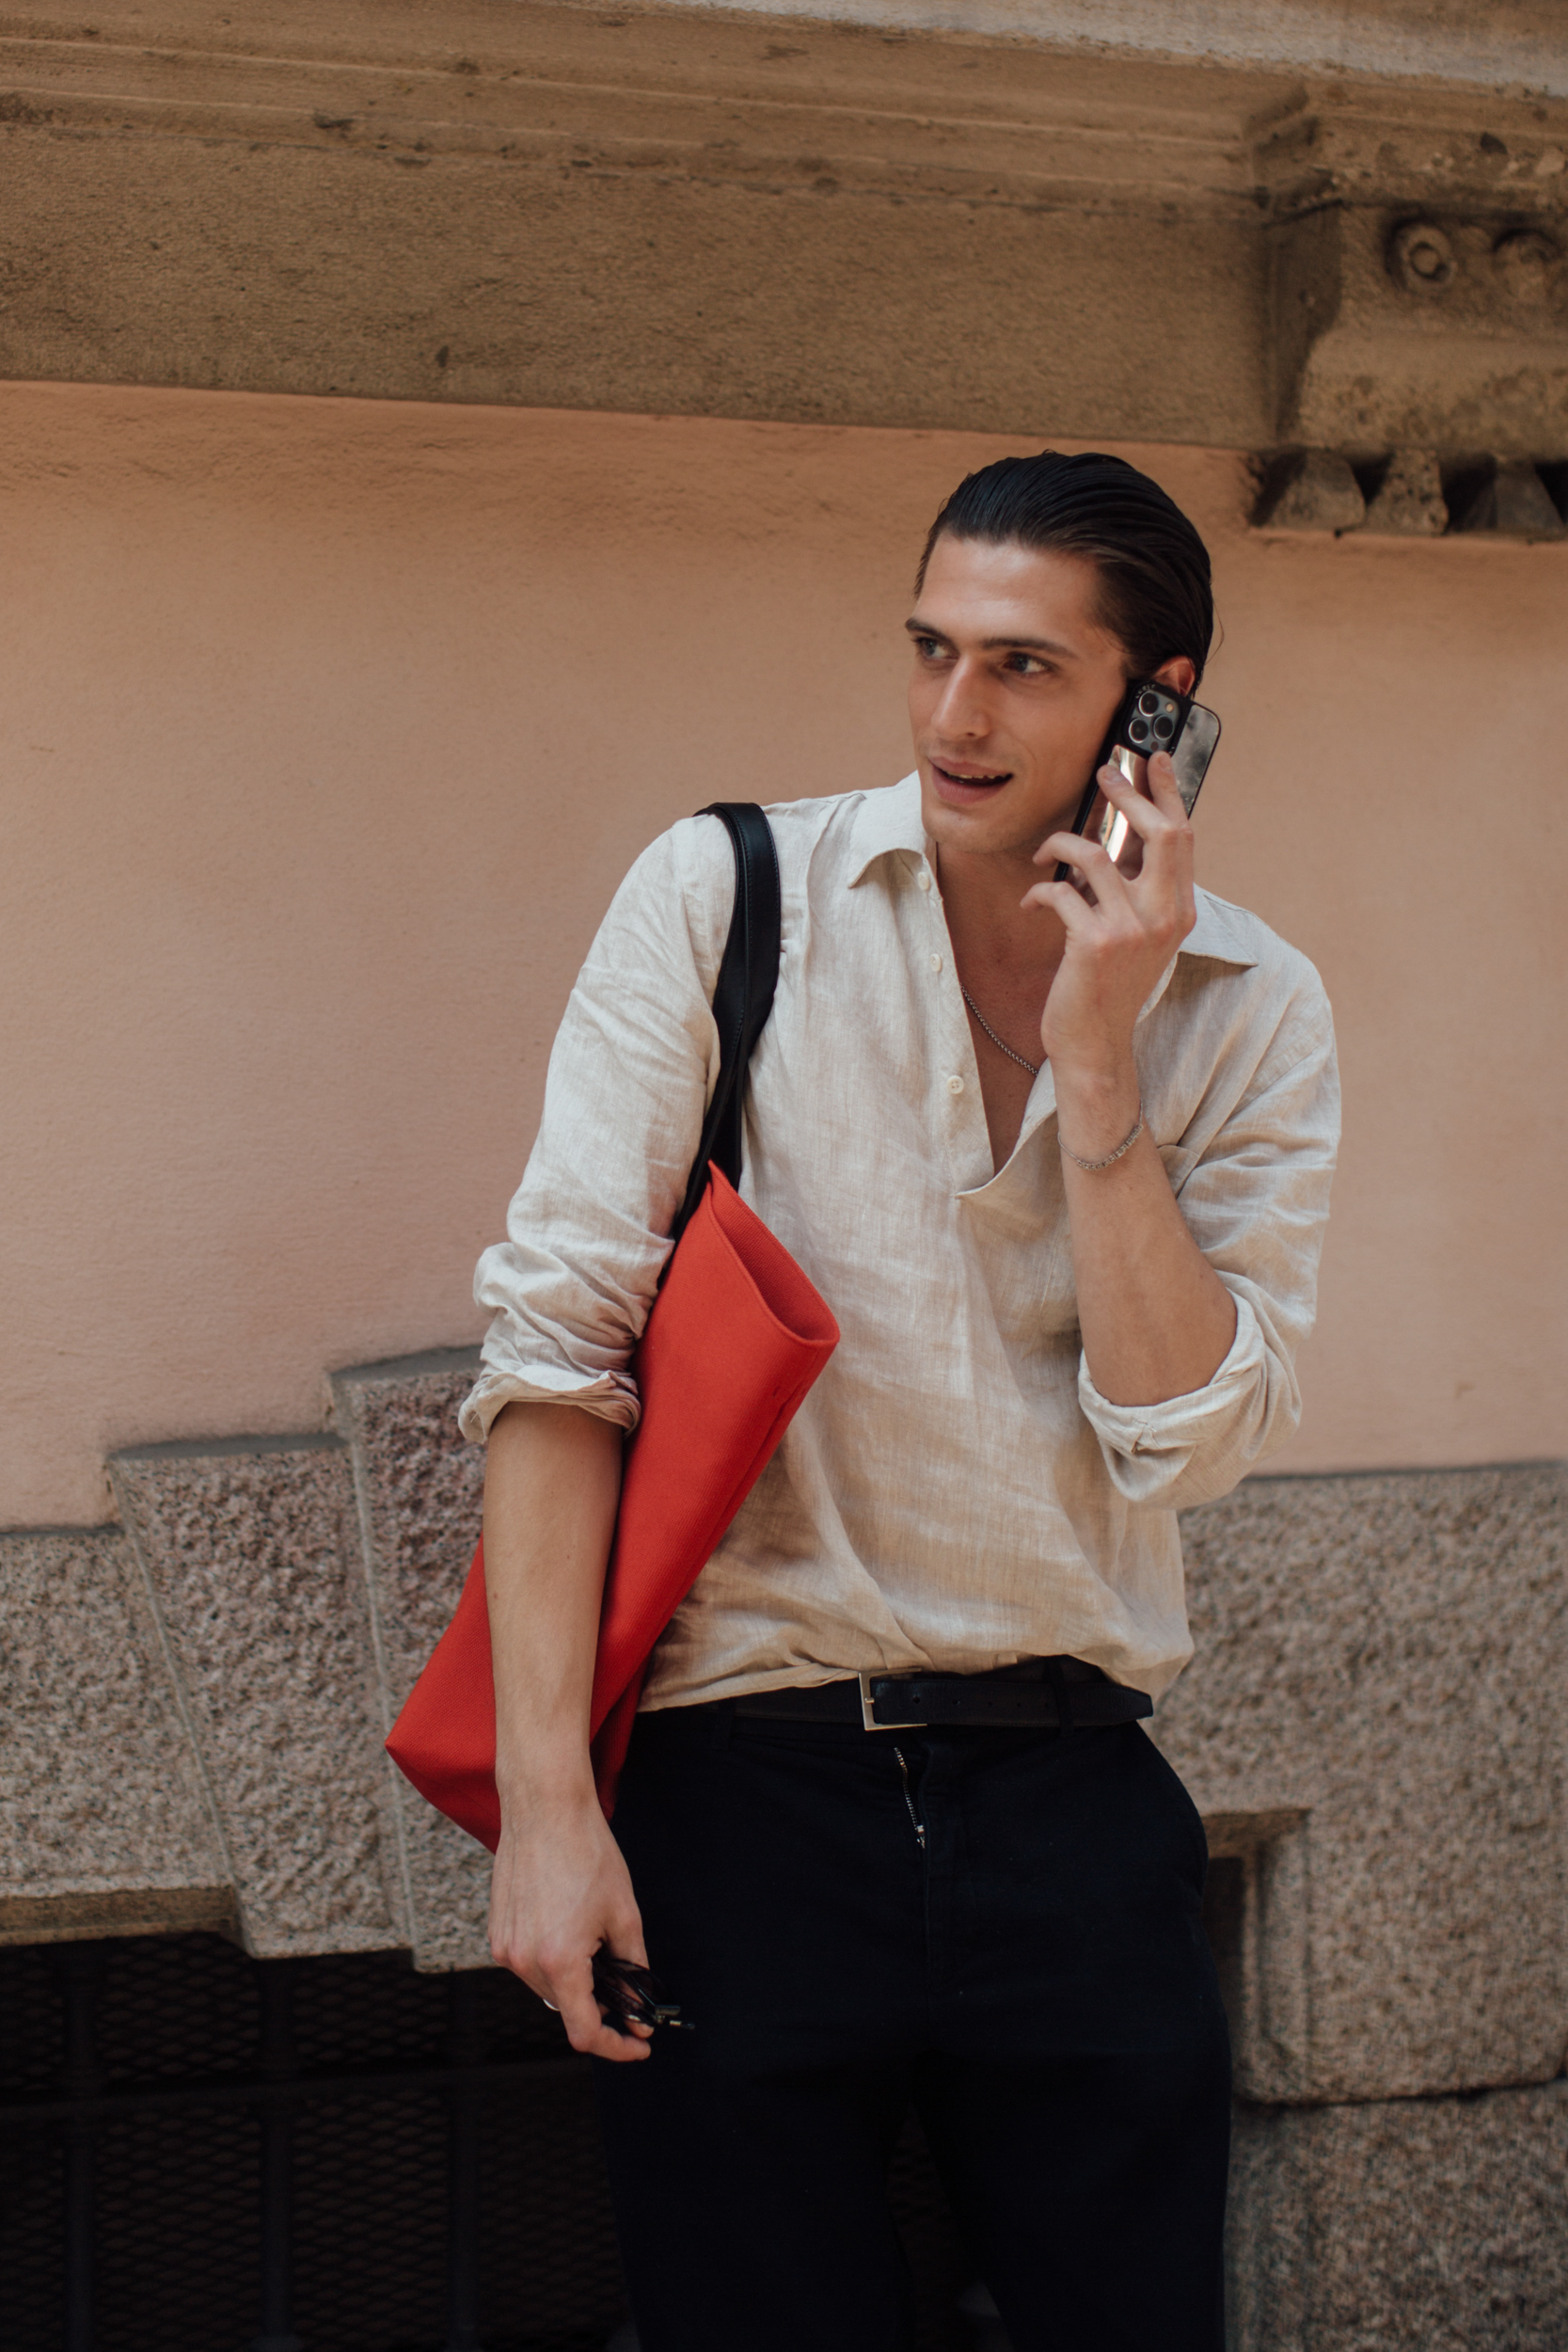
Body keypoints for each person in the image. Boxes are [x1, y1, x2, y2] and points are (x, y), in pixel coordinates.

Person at [462, 450, 1338, 2351]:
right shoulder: (726, 895)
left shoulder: (1251, 1003)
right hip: (742, 1795)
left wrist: (1101, 1062)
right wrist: (548, 1807)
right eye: (933, 648)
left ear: (1157, 703)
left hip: (1077, 1803)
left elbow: (1185, 1439)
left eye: (1024, 665)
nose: (955, 713)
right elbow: (555, 1358)